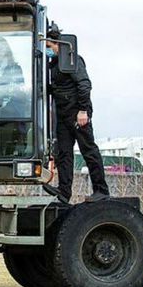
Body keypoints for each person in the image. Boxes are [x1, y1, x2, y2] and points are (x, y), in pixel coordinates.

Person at [43, 23, 109, 203]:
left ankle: (101, 190)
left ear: (57, 44)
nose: (47, 51)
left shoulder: (72, 60)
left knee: (88, 150)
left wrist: (83, 110)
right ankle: (64, 191)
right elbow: (58, 87)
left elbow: (84, 85)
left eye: (49, 47)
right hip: (63, 116)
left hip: (77, 114)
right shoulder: (53, 65)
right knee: (64, 153)